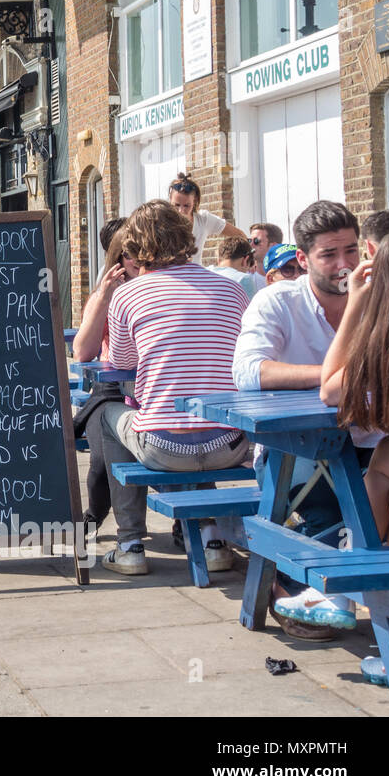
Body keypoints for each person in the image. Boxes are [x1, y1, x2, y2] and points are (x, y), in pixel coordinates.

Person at [234, 200, 374, 638]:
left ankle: (354, 590)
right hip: (295, 449)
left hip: (372, 441)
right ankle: (293, 587)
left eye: (351, 251)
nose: (344, 265)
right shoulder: (278, 301)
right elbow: (249, 371)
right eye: (329, 254)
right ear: (302, 259)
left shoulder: (378, 297)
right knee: (327, 512)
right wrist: (333, 378)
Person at [97, 200, 251, 576]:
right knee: (201, 411)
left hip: (163, 448)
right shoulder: (231, 290)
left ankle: (130, 544)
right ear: (187, 238)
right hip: (232, 444)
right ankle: (211, 535)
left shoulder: (128, 295)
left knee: (106, 414)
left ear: (134, 246)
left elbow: (120, 363)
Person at [322, 231, 389, 685]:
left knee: (375, 542)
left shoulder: (386, 343)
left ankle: (386, 645)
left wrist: (355, 306)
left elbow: (331, 387)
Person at [71, 226, 141, 530]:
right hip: (112, 388)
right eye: (129, 253)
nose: (137, 260)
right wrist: (104, 297)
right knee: (101, 460)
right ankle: (93, 517)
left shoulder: (166, 288)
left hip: (155, 386)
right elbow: (82, 353)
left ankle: (192, 525)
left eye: (144, 251)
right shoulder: (106, 295)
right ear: (117, 257)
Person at [166, 172, 244, 262]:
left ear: (194, 201)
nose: (181, 211)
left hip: (196, 274)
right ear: (170, 201)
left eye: (187, 206)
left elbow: (240, 235)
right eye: (176, 205)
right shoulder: (163, 223)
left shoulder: (203, 219)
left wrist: (249, 258)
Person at [207, 236, 259, 301]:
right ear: (245, 260)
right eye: (250, 264)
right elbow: (253, 310)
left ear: (218, 259)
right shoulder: (244, 279)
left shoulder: (203, 274)